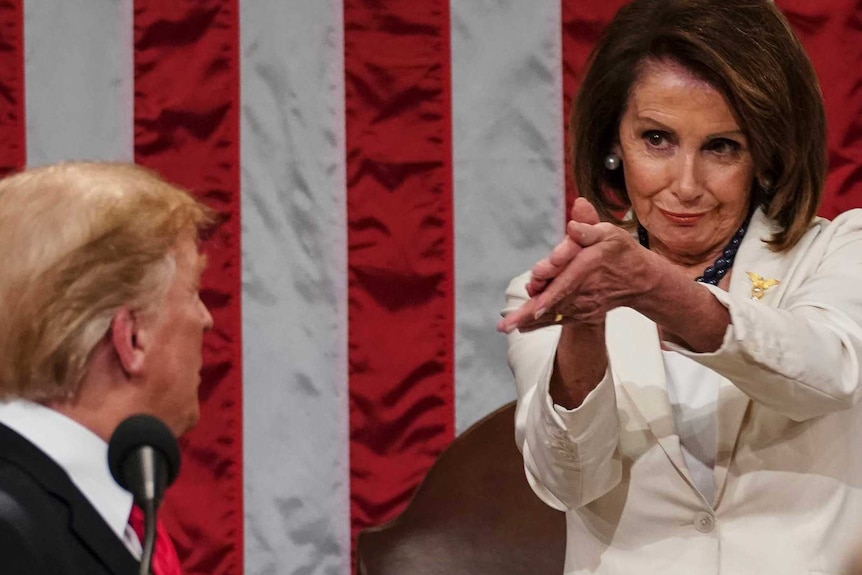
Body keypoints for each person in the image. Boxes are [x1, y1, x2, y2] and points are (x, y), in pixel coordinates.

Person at [497, 0, 862, 573]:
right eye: (657, 139)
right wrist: (585, 328)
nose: (685, 185)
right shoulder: (551, 293)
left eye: (722, 147)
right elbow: (568, 481)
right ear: (615, 144)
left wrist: (656, 289)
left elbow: (826, 375)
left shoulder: (839, 250)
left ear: (765, 155)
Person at [0, 162, 214, 574]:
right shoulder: (11, 535)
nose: (206, 319)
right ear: (132, 336)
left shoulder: (74, 510)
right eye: (192, 293)